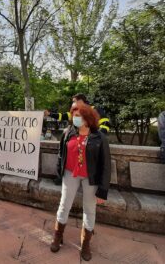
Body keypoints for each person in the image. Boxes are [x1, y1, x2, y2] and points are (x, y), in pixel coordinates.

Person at [50, 103, 111, 262]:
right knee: (64, 205)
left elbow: (106, 164)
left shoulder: (99, 137)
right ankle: (58, 236)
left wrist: (103, 190)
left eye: (79, 115)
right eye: (74, 115)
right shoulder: (67, 132)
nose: (75, 118)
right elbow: (60, 153)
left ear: (88, 117)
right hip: (70, 174)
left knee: (89, 209)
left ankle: (85, 244)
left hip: (91, 178)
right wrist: (59, 171)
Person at [45, 93, 110, 134]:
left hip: (92, 141)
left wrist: (98, 136)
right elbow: (63, 116)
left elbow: (105, 123)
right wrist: (49, 114)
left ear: (81, 101)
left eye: (74, 101)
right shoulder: (76, 111)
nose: (73, 103)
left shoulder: (94, 109)